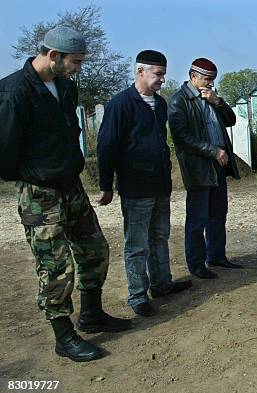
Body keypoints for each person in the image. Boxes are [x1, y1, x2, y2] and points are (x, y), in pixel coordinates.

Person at [0, 26, 131, 362]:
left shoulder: (64, 87)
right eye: (75, 62)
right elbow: (5, 152)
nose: (79, 68)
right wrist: (35, 176)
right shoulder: (14, 91)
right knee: (55, 267)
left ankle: (92, 314)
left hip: (70, 188)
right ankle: (63, 334)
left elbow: (69, 131)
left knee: (95, 251)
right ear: (53, 56)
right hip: (39, 194)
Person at [97, 50, 191, 318]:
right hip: (136, 186)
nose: (162, 78)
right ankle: (138, 295)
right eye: (157, 73)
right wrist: (106, 184)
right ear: (140, 72)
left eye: (163, 73)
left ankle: (161, 284)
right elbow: (107, 146)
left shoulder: (159, 105)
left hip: (159, 184)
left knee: (160, 237)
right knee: (137, 244)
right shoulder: (121, 104)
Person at [168, 58, 242, 279]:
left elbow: (231, 121)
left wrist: (217, 102)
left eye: (212, 80)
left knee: (218, 213)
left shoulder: (212, 97)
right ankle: (197, 264)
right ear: (193, 77)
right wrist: (211, 150)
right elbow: (181, 137)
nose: (210, 83)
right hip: (198, 166)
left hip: (218, 164)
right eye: (207, 79)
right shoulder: (179, 100)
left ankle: (217, 255)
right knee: (197, 217)